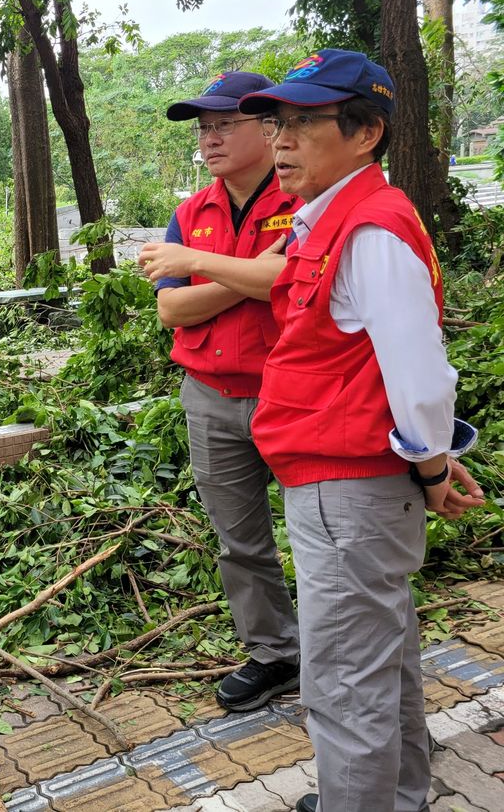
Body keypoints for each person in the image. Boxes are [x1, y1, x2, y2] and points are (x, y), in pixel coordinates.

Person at [235, 50, 486, 812]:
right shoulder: (336, 219)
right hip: (345, 487)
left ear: (367, 131)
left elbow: (420, 376)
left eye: (305, 121)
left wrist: (436, 469)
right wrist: (429, 467)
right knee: (380, 661)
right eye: (280, 120)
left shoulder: (370, 230)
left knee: (345, 680)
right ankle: (397, 797)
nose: (281, 140)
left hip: (345, 492)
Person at [137, 71, 302, 712]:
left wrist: (200, 266)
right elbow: (172, 313)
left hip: (289, 395)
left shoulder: (301, 199)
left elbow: (292, 282)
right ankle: (275, 654)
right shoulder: (192, 211)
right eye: (204, 128)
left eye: (223, 124)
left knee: (320, 536)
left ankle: (341, 658)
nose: (209, 138)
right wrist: (258, 274)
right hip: (208, 395)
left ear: (269, 127)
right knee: (241, 540)